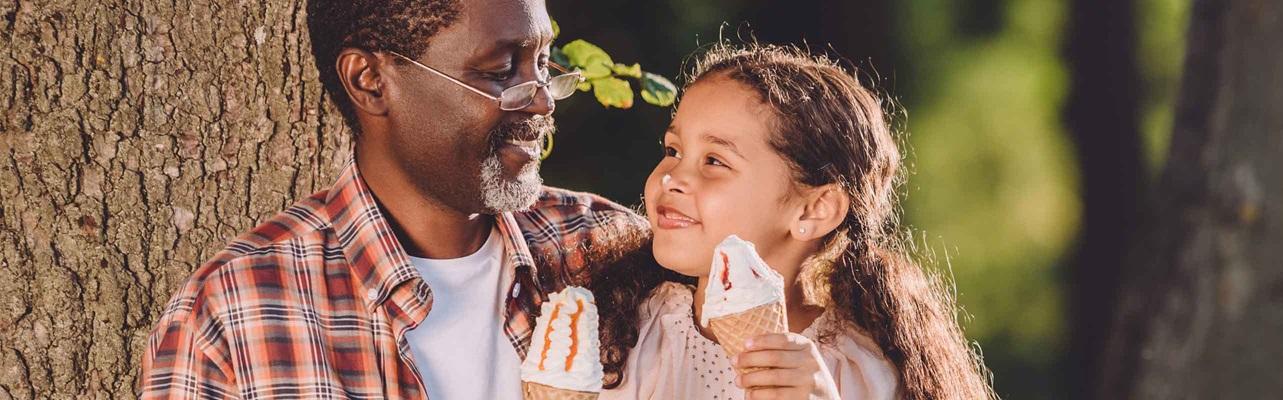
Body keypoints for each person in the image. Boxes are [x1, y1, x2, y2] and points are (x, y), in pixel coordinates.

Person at [137, 0, 645, 398]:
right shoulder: (233, 312)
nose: (541, 98)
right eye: (500, 70)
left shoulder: (614, 250)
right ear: (370, 81)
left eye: (541, 63)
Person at [586, 43, 997, 400]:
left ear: (813, 210)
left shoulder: (860, 372)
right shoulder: (623, 335)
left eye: (714, 161)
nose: (671, 178)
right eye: (674, 149)